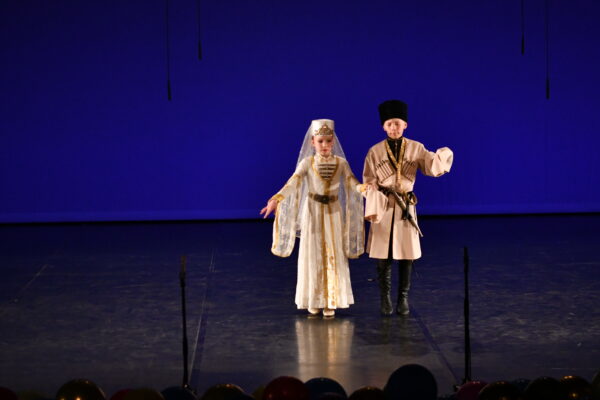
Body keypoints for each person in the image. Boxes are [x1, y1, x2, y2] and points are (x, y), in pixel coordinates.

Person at [261, 119, 365, 317]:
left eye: (328, 141)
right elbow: (293, 182)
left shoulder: (341, 163)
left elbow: (352, 182)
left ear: (333, 141)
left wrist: (364, 189)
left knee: (333, 252)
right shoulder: (307, 163)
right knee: (313, 251)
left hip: (333, 212)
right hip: (313, 212)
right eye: (320, 141)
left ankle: (331, 299)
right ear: (312, 142)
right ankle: (314, 298)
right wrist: (276, 199)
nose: (324, 145)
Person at [363, 100, 453, 315]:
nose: (394, 127)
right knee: (383, 255)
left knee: (407, 254)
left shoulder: (416, 148)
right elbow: (368, 179)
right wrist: (372, 191)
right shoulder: (375, 151)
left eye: (397, 123)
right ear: (383, 127)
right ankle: (385, 298)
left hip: (405, 206)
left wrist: (442, 156)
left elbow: (431, 166)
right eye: (389, 124)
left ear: (405, 125)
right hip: (384, 205)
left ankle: (403, 297)